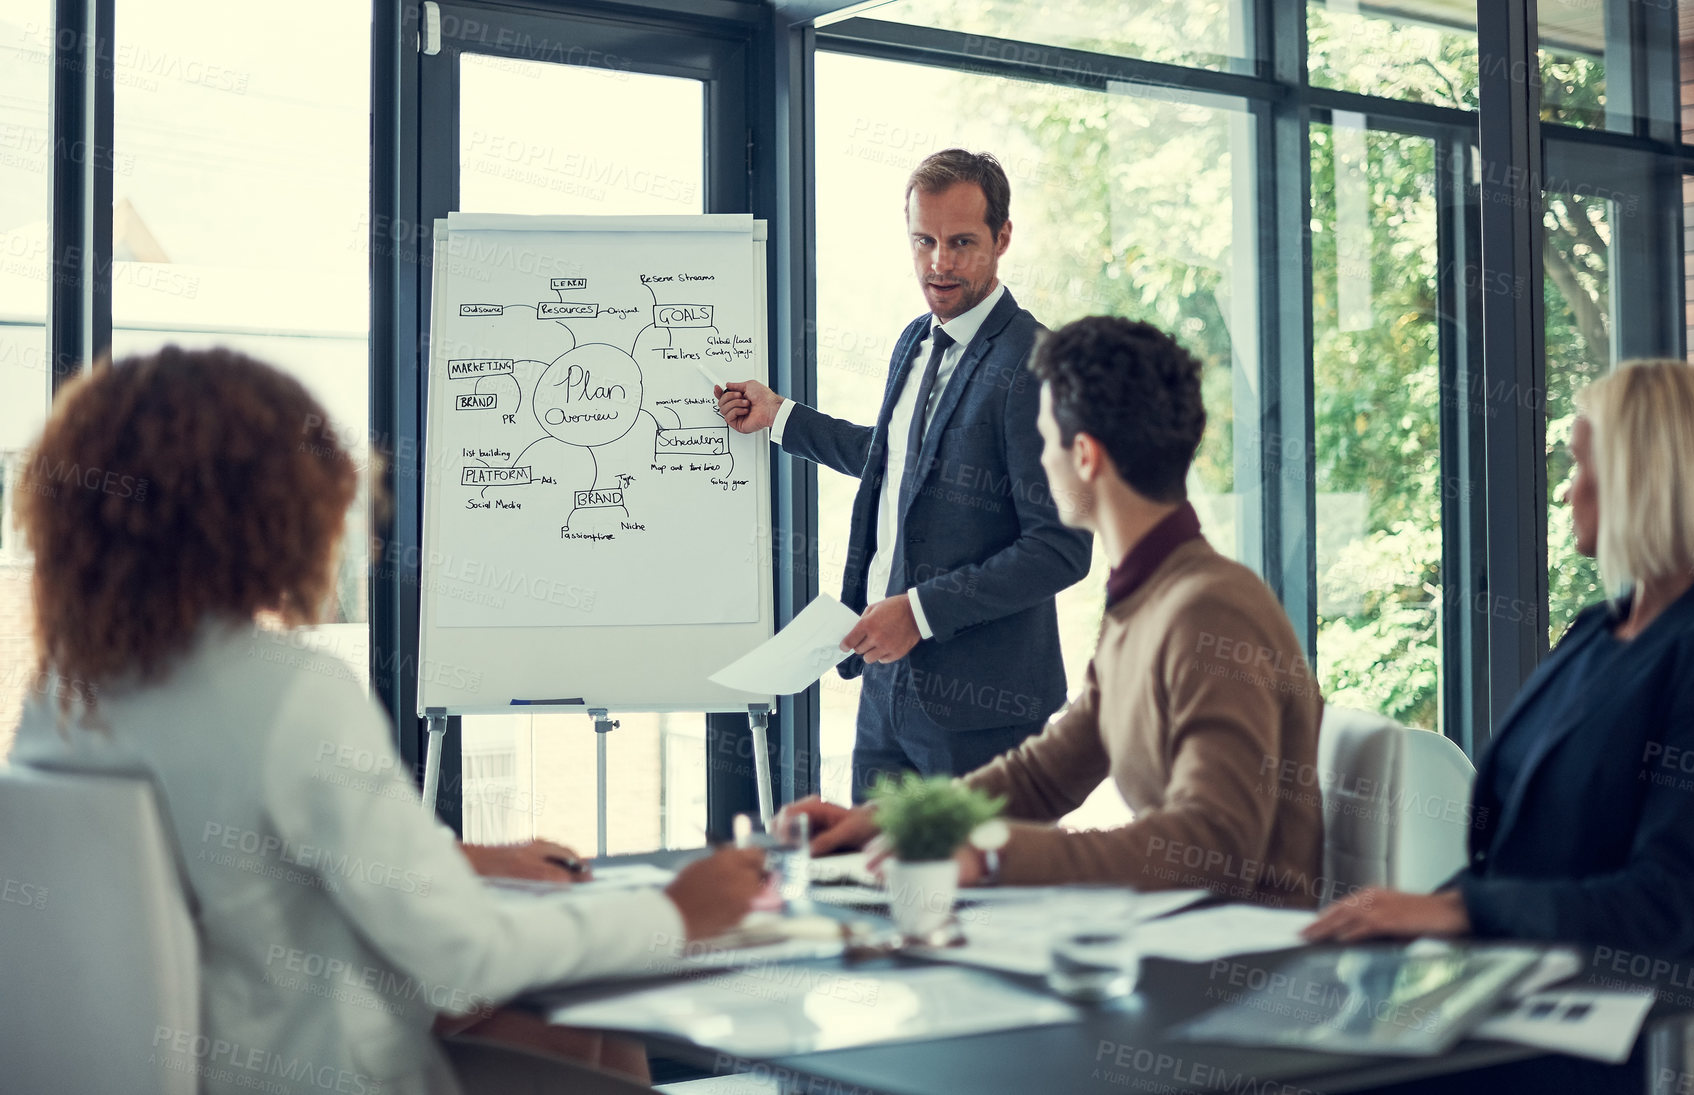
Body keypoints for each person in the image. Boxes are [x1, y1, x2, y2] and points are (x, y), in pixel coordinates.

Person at [8, 346, 765, 1095]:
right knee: (578, 999)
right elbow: (466, 957)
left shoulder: (71, 692)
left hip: (202, 1057)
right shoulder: (286, 690)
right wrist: (675, 912)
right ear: (270, 510)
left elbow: (235, 862)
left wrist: (451, 858)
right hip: (319, 1070)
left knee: (576, 1022)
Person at [783, 317, 1326, 902]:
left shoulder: (1209, 611)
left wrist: (991, 857)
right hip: (1173, 939)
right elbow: (1045, 775)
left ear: (1085, 457)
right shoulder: (1147, 599)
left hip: (1240, 963)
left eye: (1044, 442)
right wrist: (905, 820)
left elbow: (1213, 846)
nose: (1037, 461)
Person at [1304, 358, 1694, 960]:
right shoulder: (1596, 631)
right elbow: (1508, 863)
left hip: (1619, 1018)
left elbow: (1662, 905)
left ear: (1641, 477)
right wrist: (1404, 920)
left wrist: (1456, 912)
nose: (1566, 489)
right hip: (1512, 971)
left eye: (1580, 463)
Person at [715, 149, 1092, 801]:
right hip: (887, 687)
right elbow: (902, 465)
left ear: (1003, 239)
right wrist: (780, 417)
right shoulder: (916, 341)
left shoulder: (1036, 363)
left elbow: (1061, 548)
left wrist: (919, 612)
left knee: (981, 898)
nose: (939, 263)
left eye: (961, 242)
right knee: (877, 887)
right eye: (924, 240)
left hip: (984, 710)